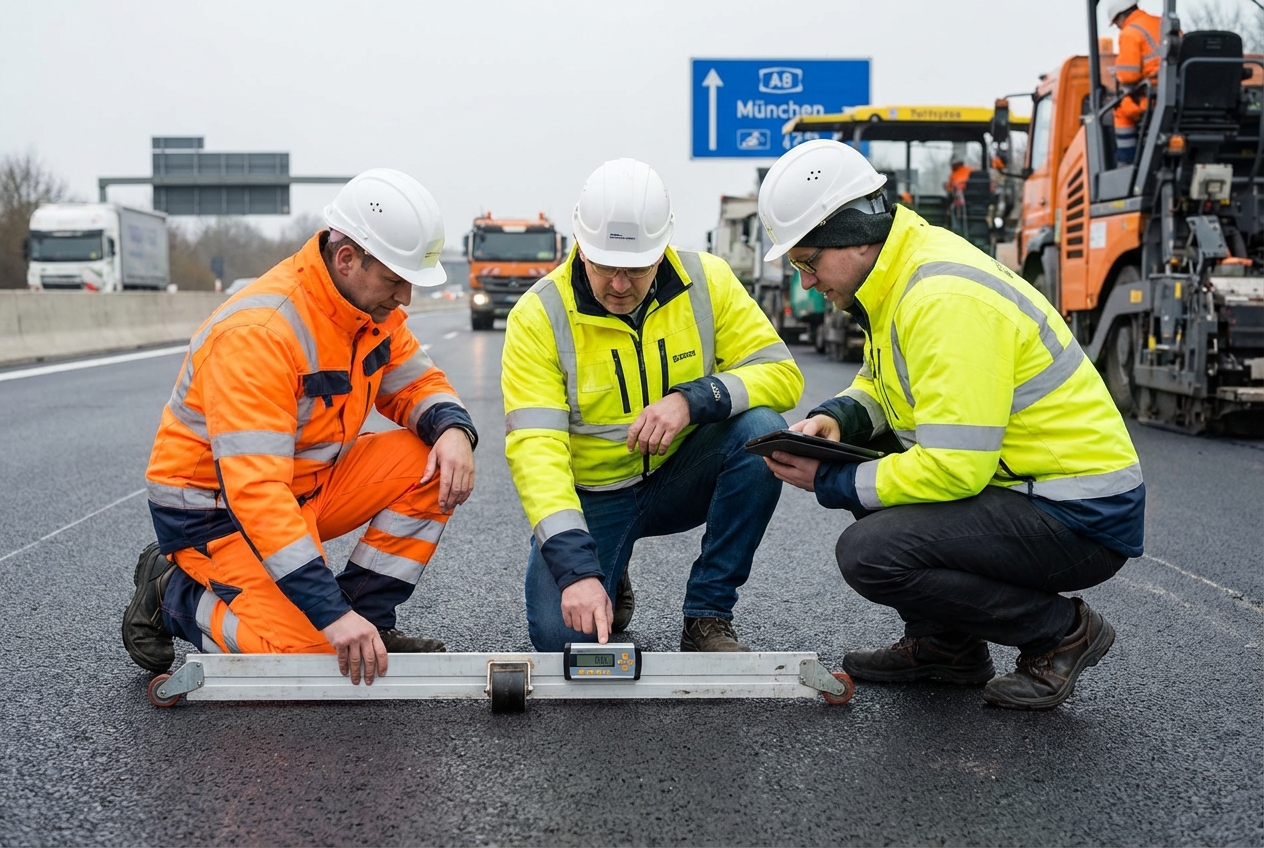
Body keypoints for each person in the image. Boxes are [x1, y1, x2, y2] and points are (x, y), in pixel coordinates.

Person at [756, 140, 1145, 710]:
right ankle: (946, 646)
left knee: (870, 551)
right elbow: (886, 386)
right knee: (871, 464)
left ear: (854, 236)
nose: (807, 281)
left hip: (1079, 513)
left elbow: (955, 467)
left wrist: (830, 480)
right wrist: (835, 420)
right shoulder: (896, 278)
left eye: (807, 261)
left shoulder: (942, 298)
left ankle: (1061, 633)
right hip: (1028, 487)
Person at [122, 169, 478, 686]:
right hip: (217, 513)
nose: (404, 296)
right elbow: (257, 495)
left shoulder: (368, 310)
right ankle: (171, 594)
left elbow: (418, 383)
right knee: (312, 655)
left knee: (435, 460)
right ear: (347, 258)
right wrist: (329, 615)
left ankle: (368, 620)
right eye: (395, 280)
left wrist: (454, 431)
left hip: (306, 487)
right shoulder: (259, 334)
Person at [502, 158, 803, 652]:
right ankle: (607, 567)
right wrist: (577, 569)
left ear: (662, 250)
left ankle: (707, 614)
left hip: (679, 474)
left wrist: (692, 401)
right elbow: (537, 450)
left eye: (637, 268)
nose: (620, 285)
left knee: (762, 430)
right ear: (580, 245)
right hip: (595, 495)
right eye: (605, 267)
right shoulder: (539, 316)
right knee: (560, 640)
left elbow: (782, 374)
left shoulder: (709, 281)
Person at [1109, 0, 1164, 165]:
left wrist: (1117, 75)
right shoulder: (1163, 23)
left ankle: (1127, 161)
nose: (1118, 27)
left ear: (1121, 16)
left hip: (1153, 97)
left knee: (1121, 110)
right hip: (1178, 92)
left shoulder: (1130, 32)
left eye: (1116, 23)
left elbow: (1129, 76)